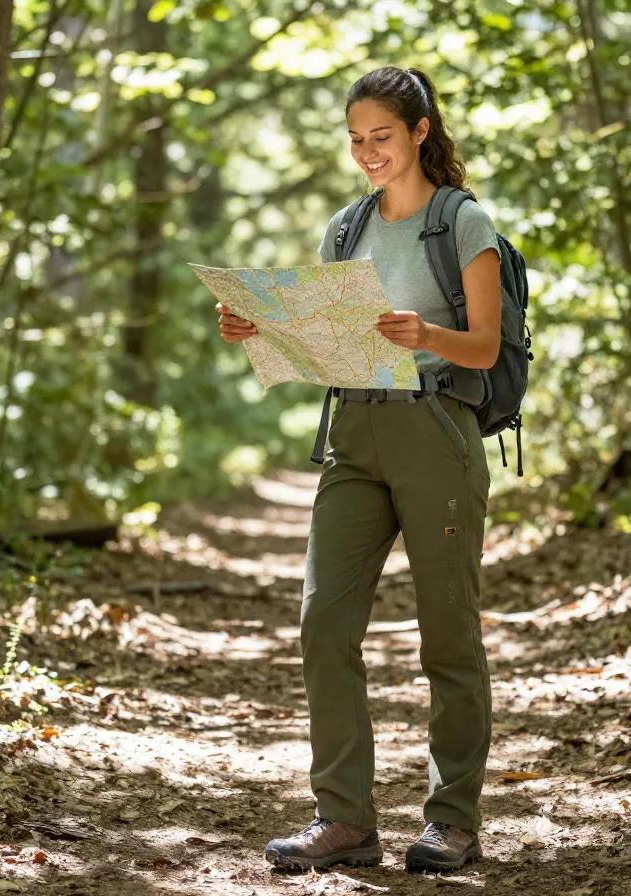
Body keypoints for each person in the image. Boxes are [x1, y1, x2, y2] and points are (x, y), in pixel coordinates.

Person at [216, 65, 501, 874]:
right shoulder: (344, 230)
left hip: (438, 433)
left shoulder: (461, 223)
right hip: (352, 435)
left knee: (447, 636)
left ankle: (453, 821)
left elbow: (485, 345)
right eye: (355, 140)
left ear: (418, 132)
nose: (368, 152)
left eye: (382, 136)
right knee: (322, 623)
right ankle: (345, 819)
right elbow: (326, 346)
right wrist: (258, 331)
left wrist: (425, 337)